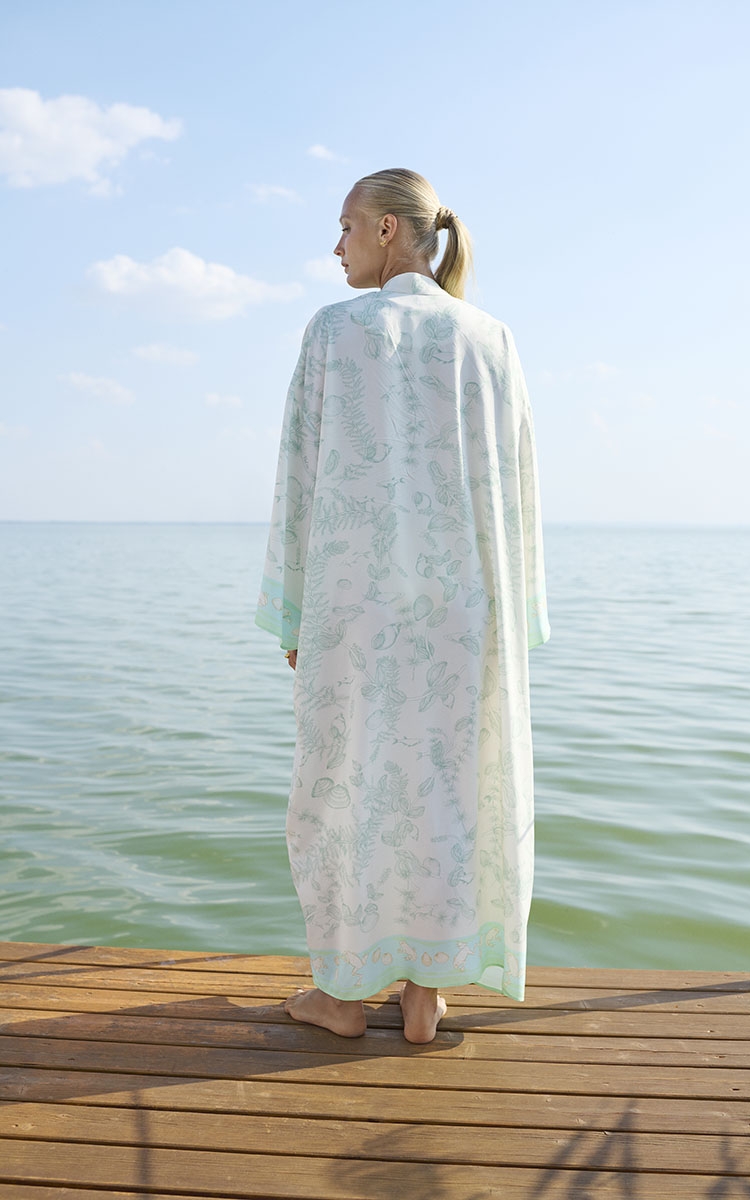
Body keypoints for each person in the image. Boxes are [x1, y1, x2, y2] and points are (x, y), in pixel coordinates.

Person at [256, 168, 549, 1043]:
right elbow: (518, 489)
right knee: (447, 790)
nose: (336, 245)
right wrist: (519, 617)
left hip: (356, 608)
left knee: (344, 791)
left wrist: (293, 610)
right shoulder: (491, 337)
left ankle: (344, 996)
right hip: (466, 610)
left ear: (388, 229)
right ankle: (425, 993)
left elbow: (301, 476)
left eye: (346, 226)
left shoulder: (334, 331)